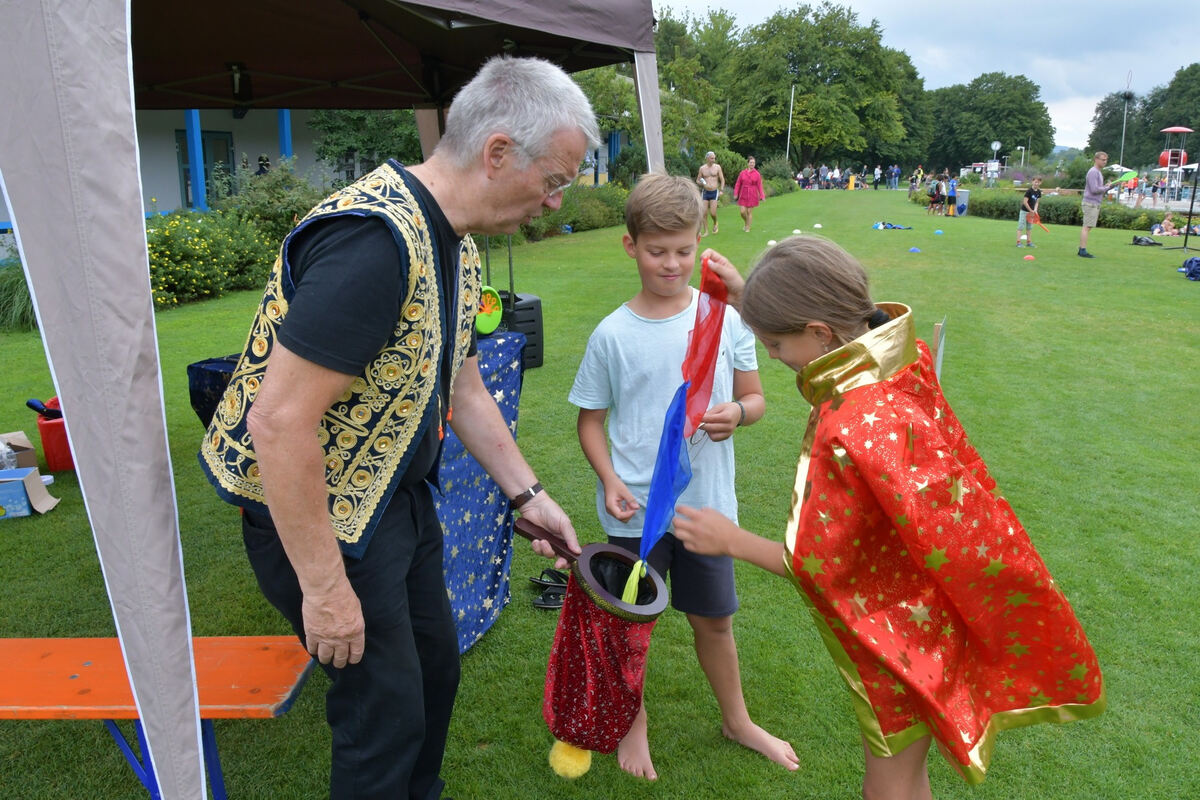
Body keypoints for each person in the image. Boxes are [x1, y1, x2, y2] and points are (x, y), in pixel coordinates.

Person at [198, 55, 593, 800]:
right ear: (498, 151)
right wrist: (323, 590)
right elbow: (279, 423)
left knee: (433, 674)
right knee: (383, 715)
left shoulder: (459, 240)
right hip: (319, 518)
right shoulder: (373, 243)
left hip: (395, 503)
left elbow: (463, 383)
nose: (552, 202)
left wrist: (526, 494)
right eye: (554, 179)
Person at [672, 236, 1106, 799]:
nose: (773, 356)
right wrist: (751, 295)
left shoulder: (848, 426)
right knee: (908, 764)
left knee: (891, 772)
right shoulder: (899, 363)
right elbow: (843, 368)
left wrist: (728, 538)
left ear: (820, 333)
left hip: (896, 631)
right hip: (932, 606)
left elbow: (818, 566)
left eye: (776, 343)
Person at [568, 173, 794, 781]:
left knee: (714, 621)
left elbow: (757, 398)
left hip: (705, 510)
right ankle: (630, 725)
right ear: (629, 245)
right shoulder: (612, 335)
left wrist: (737, 414)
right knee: (629, 628)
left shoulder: (724, 318)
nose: (672, 264)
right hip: (635, 512)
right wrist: (610, 479)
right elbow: (591, 423)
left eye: (684, 251)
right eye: (656, 250)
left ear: (701, 242)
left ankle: (738, 720)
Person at [1079, 151, 1113, 258]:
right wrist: (1106, 187)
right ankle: (1082, 250)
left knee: (1088, 227)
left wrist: (1108, 186)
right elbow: (1094, 189)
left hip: (1094, 203)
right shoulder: (1093, 172)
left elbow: (1099, 188)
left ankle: (1082, 249)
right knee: (1086, 227)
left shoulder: (1098, 172)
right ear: (1096, 159)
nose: (1105, 162)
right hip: (1090, 203)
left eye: (1106, 160)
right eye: (1103, 160)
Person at [696, 151, 726, 236]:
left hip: (714, 192)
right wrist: (702, 183)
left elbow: (722, 179)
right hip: (705, 192)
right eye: (712, 158)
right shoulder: (702, 168)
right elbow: (697, 180)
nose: (714, 159)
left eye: (714, 158)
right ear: (707, 158)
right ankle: (706, 231)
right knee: (704, 212)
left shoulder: (717, 167)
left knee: (713, 212)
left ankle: (715, 222)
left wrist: (722, 190)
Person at [733, 156, 766, 232]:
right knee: (742, 212)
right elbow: (738, 183)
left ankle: (748, 227)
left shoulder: (757, 174)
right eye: (751, 162)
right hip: (743, 194)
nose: (752, 164)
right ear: (748, 163)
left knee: (749, 212)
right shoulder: (742, 173)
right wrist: (736, 193)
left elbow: (759, 186)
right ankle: (746, 222)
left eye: (753, 163)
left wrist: (762, 196)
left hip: (752, 194)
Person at [1017, 176, 1042, 247]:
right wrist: (1030, 210)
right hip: (1024, 211)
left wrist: (1035, 210)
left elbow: (1037, 202)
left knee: (1029, 227)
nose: (1036, 183)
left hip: (1031, 212)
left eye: (1038, 182)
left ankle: (1029, 242)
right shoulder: (1029, 191)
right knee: (1021, 226)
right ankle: (1018, 242)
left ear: (1040, 183)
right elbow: (1025, 202)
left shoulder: (1039, 192)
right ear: (1032, 182)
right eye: (1035, 182)